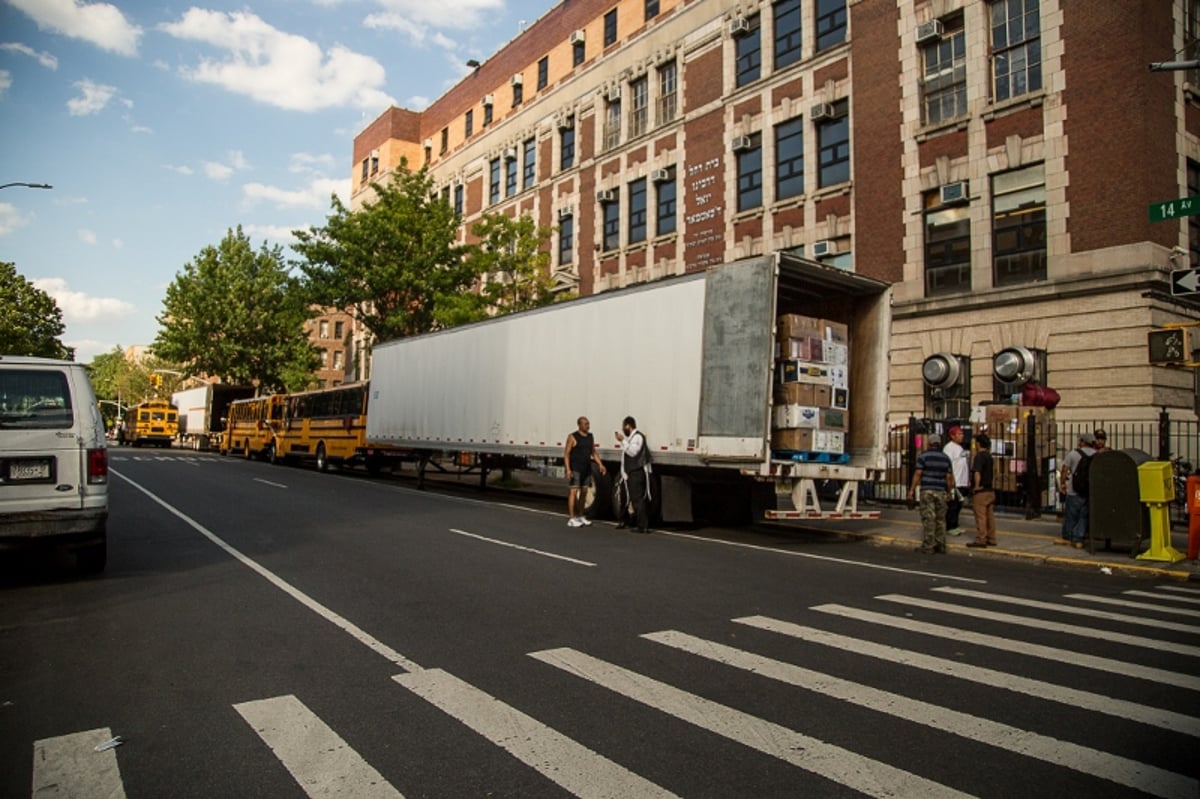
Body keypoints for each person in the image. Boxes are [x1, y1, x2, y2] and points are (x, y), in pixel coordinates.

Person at [908, 433, 955, 554]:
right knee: (941, 519)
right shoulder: (946, 458)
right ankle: (941, 544)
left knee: (929, 518)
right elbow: (949, 477)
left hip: (927, 490)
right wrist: (949, 492)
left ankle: (928, 545)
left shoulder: (924, 456)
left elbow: (918, 473)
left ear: (929, 444)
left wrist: (912, 489)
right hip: (941, 491)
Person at [564, 416, 606, 527]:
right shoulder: (572, 437)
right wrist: (568, 469)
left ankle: (581, 516)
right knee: (573, 492)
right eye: (586, 424)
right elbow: (567, 454)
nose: (588, 426)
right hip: (575, 469)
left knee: (583, 494)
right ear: (579, 425)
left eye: (588, 424)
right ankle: (571, 518)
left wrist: (600, 464)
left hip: (586, 469)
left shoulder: (590, 437)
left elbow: (593, 452)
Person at [1058, 431, 1096, 548]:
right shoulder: (1096, 455)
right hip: (1089, 491)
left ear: (1083, 442)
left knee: (1071, 515)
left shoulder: (1073, 454)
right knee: (1083, 516)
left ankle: (1068, 537)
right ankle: (1078, 538)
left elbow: (1064, 469)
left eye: (1080, 440)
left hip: (1074, 490)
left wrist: (1063, 483)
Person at [615, 416, 651, 533]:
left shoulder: (637, 437)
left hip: (636, 472)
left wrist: (622, 441)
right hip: (628, 473)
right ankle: (623, 521)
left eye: (623, 426)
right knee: (624, 497)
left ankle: (642, 526)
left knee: (637, 499)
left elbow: (632, 452)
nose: (622, 429)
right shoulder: (631, 438)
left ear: (628, 426)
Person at [966, 433, 997, 548]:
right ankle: (991, 538)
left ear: (978, 443)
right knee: (990, 516)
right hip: (990, 490)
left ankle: (981, 539)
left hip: (981, 491)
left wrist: (977, 486)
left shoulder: (979, 456)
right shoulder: (989, 456)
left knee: (980, 516)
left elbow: (977, 472)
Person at [942, 425, 970, 535]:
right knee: (953, 505)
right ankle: (950, 526)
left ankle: (955, 524)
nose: (961, 436)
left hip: (962, 481)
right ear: (952, 436)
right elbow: (948, 465)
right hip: (955, 481)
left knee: (958, 505)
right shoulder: (949, 448)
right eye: (959, 434)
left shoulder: (960, 448)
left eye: (962, 434)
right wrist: (950, 480)